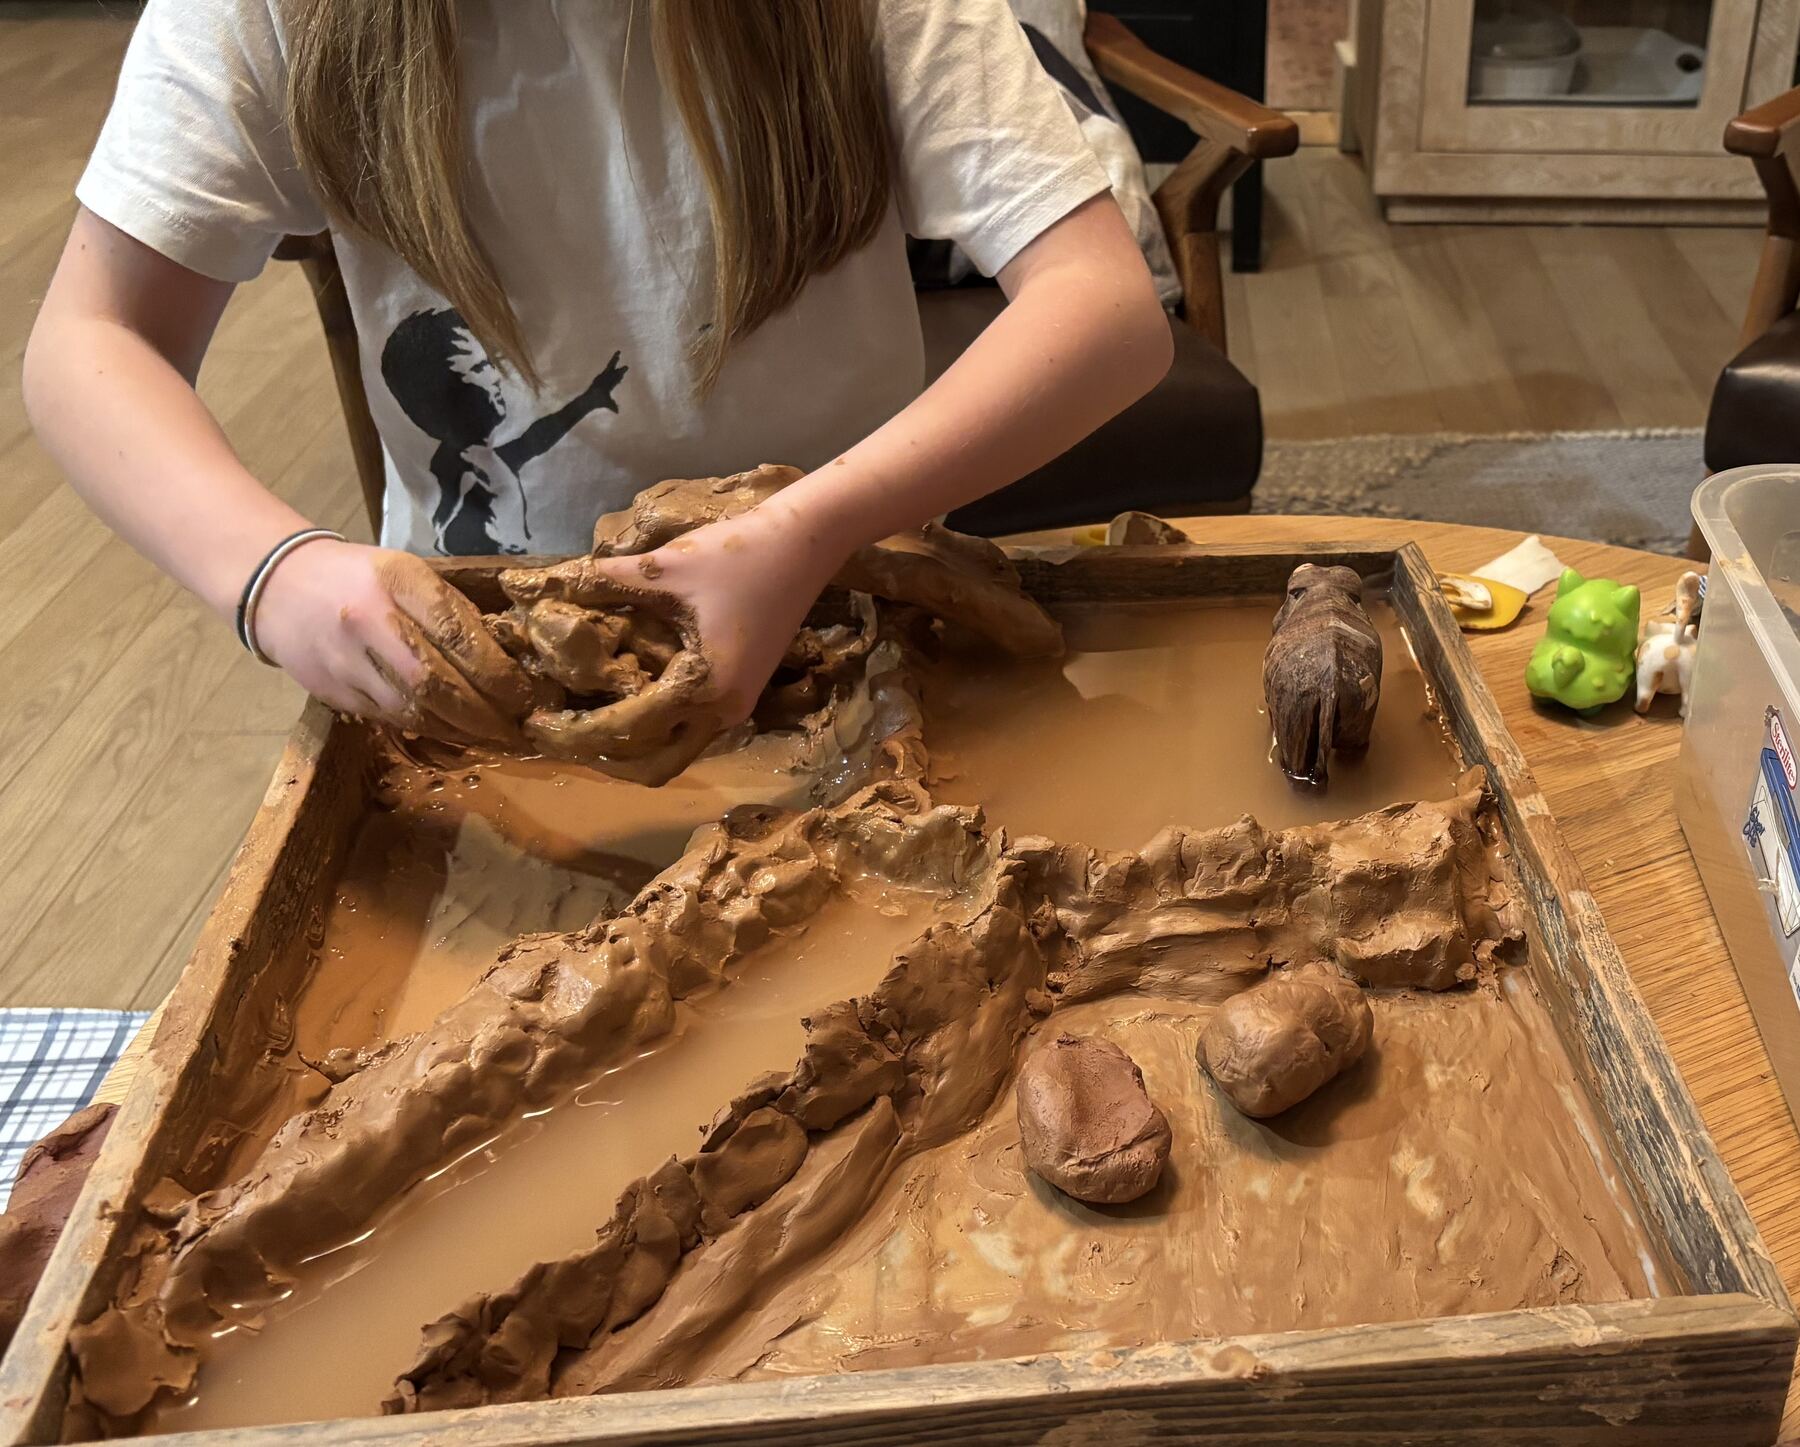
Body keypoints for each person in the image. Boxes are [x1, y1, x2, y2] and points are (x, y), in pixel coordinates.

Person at [24, 0, 1173, 735]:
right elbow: (93, 341)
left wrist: (809, 529)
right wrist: (273, 574)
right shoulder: (270, 15)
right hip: (481, 666)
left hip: (857, 630)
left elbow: (1104, 308)